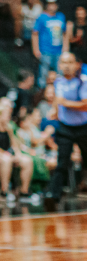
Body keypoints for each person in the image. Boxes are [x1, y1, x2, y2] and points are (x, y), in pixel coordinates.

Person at [44, 52, 87, 208]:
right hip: (65, 127)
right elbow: (58, 100)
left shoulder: (83, 81)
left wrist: (66, 103)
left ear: (76, 64)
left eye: (70, 62)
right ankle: (53, 196)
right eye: (64, 62)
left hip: (83, 127)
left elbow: (85, 104)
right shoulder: (58, 82)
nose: (67, 66)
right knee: (62, 162)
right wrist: (55, 110)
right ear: (59, 65)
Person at [0, 102, 37, 204]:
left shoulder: (8, 127)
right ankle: (5, 191)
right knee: (6, 160)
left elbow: (14, 145)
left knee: (27, 160)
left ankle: (24, 192)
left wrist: (18, 155)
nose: (9, 116)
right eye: (7, 114)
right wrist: (3, 154)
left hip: (7, 154)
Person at [32, 0, 67, 88]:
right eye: (50, 4)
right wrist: (36, 50)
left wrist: (65, 48)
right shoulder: (41, 17)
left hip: (58, 51)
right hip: (45, 50)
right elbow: (35, 33)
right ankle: (43, 92)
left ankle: (59, 91)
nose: (52, 6)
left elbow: (64, 33)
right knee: (44, 74)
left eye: (54, 4)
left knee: (60, 74)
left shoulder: (61, 16)